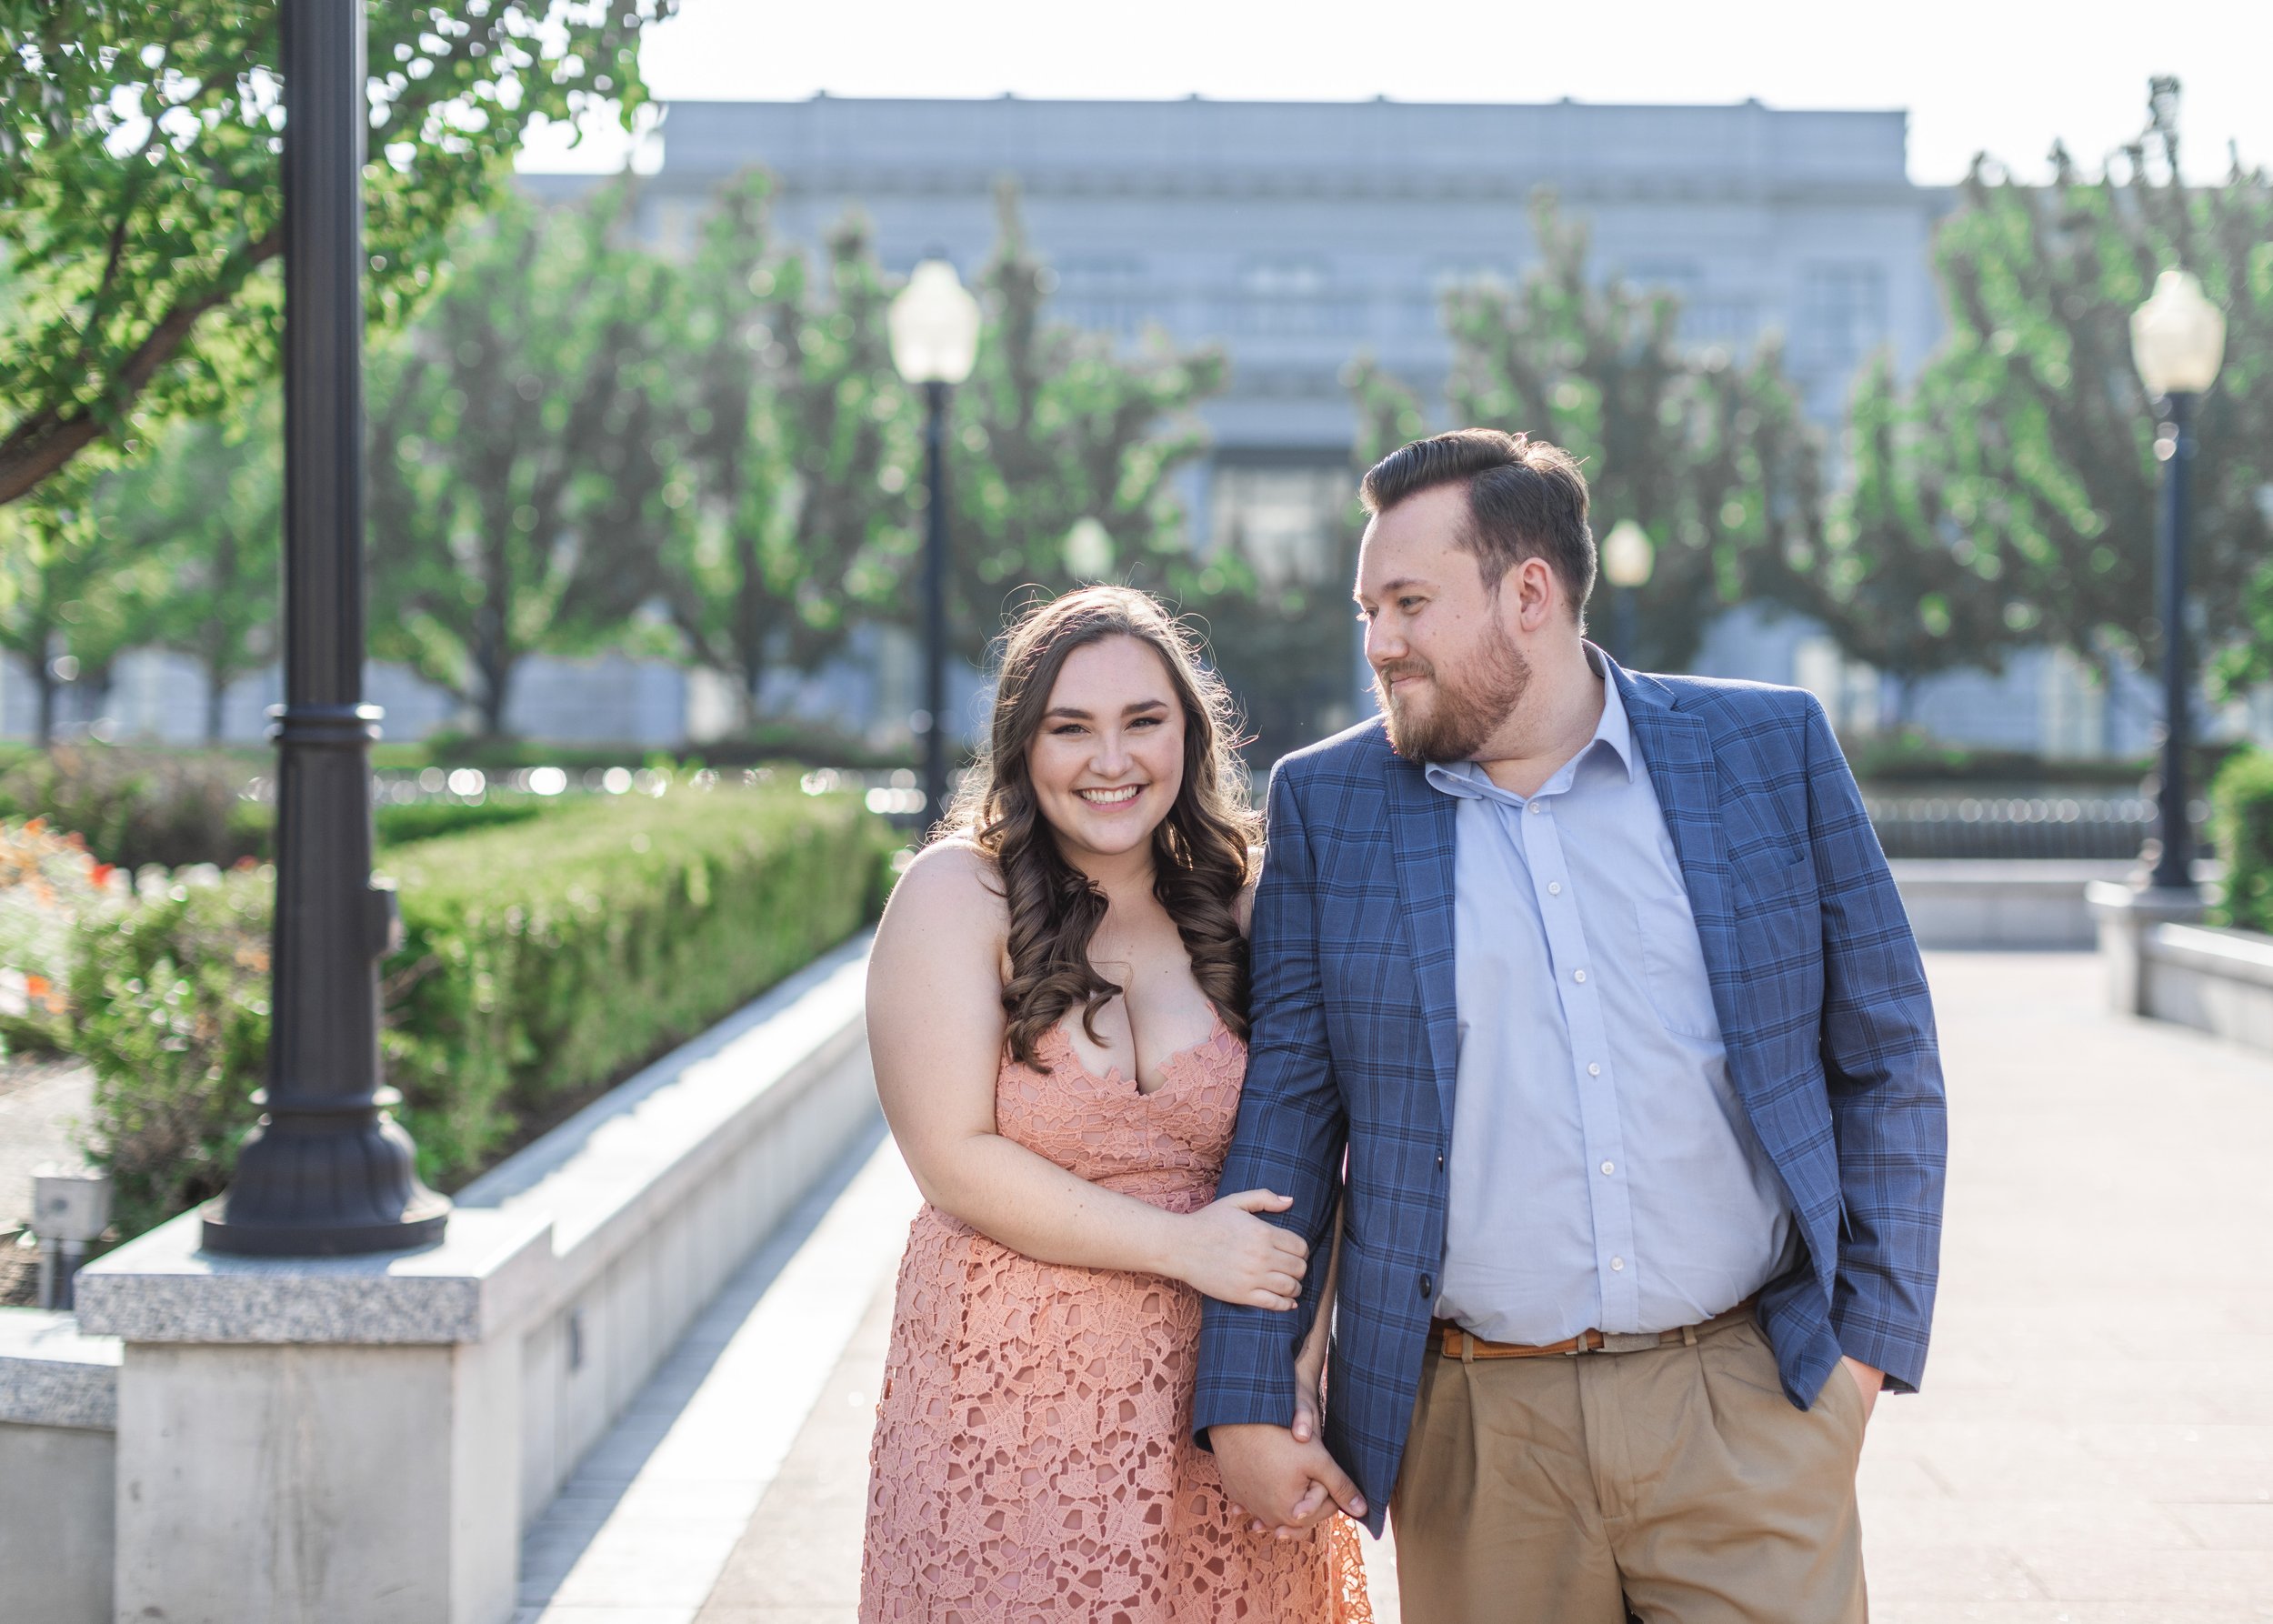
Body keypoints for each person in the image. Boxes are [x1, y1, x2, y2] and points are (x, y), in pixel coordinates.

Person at [1195, 429, 1948, 1622]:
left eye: (1409, 602)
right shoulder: (1330, 805)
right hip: (1478, 1440)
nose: (1379, 642)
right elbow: (1289, 1112)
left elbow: (1888, 1053)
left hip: (1747, 1404)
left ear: (1529, 593)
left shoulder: (1768, 751)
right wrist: (1245, 1389)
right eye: (1368, 608)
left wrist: (1861, 1357)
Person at [860, 586, 1373, 1623]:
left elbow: (1320, 1150)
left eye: (1143, 721)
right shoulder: (957, 895)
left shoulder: (1251, 898)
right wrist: (1184, 1246)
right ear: (1022, 742)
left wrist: (1299, 1379)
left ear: (1189, 732)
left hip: (1218, 1407)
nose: (1111, 759)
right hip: (1004, 1412)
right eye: (1071, 728)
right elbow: (951, 1157)